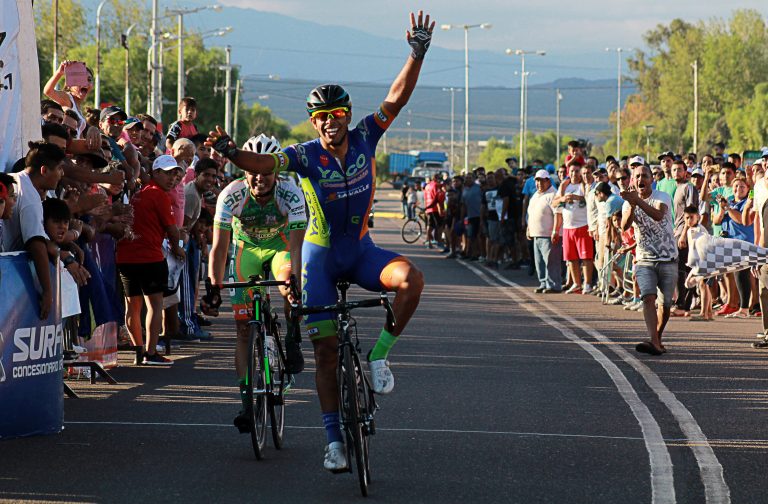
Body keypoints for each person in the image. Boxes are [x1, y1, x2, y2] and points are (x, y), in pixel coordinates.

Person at [205, 11, 430, 472]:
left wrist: (417, 52)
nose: (331, 122)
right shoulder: (304, 156)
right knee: (325, 354)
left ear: (348, 116)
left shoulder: (368, 134)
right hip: (321, 260)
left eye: (338, 114)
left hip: (362, 250)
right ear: (313, 123)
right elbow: (263, 165)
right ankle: (333, 442)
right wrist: (230, 152)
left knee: (412, 280)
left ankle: (379, 356)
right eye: (322, 117)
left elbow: (397, 98)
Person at [203, 134, 307, 432]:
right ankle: (247, 403)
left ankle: (292, 335)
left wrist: (296, 281)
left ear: (276, 171)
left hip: (281, 246)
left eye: (266, 172)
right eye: (253, 172)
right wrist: (214, 285)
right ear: (244, 170)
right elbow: (219, 248)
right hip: (246, 249)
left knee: (288, 283)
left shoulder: (291, 193)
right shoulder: (230, 194)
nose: (259, 178)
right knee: (243, 329)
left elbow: (297, 249)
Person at [116, 155, 186, 366]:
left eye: (174, 174)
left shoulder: (139, 194)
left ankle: (139, 351)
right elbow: (172, 230)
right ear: (155, 173)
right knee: (155, 304)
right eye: (166, 173)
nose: (171, 178)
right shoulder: (158, 195)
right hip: (149, 257)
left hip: (126, 256)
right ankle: (150, 353)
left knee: (133, 305)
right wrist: (177, 248)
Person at [620, 157, 677, 355]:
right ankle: (653, 340)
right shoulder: (629, 202)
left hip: (668, 257)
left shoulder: (662, 196)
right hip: (644, 258)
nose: (640, 179)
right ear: (632, 180)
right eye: (637, 176)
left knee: (666, 305)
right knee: (648, 298)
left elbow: (658, 215)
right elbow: (624, 226)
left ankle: (657, 339)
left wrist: (637, 201)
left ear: (652, 179)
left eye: (645, 175)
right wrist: (632, 204)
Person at [553, 156, 594, 293]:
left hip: (583, 225)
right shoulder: (564, 186)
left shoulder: (584, 185)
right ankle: (576, 283)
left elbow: (590, 200)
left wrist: (577, 197)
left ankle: (587, 284)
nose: (573, 174)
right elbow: (554, 204)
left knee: (586, 257)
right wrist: (563, 198)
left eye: (576, 171)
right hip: (567, 227)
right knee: (571, 258)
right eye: (571, 171)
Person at [671, 159, 699, 316]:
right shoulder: (677, 188)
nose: (676, 172)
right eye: (674, 170)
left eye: (679, 170)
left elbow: (690, 213)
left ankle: (684, 304)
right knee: (680, 269)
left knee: (684, 269)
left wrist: (683, 235)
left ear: (685, 171)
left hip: (686, 233)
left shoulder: (688, 187)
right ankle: (682, 303)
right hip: (677, 232)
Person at [526, 170, 562, 293]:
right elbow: (531, 213)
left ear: (548, 181)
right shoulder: (535, 195)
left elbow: (558, 214)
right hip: (536, 234)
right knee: (539, 262)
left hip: (548, 235)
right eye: (537, 180)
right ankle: (543, 283)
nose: (539, 183)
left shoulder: (554, 195)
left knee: (551, 261)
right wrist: (529, 228)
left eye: (542, 180)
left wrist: (555, 231)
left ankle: (554, 285)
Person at [43, 60, 92, 137]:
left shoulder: (79, 108)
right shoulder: (68, 99)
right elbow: (48, 91)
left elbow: (78, 137)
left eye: (89, 80)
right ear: (69, 84)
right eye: (80, 79)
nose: (85, 83)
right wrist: (59, 73)